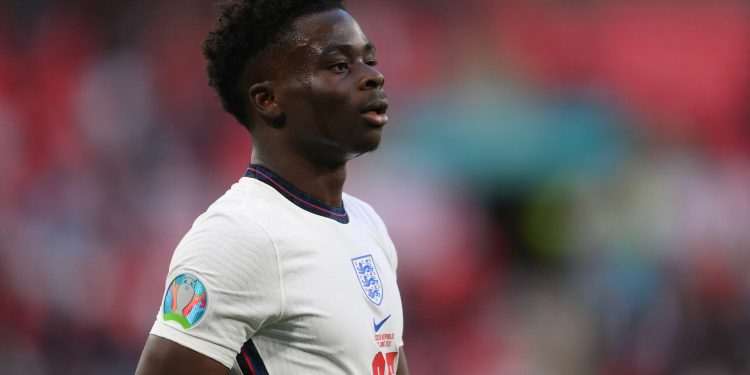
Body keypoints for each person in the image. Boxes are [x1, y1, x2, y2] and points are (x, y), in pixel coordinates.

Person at [135, 0, 407, 374]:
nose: (372, 77)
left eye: (369, 61)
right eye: (340, 66)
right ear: (268, 100)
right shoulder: (239, 235)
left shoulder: (368, 223)